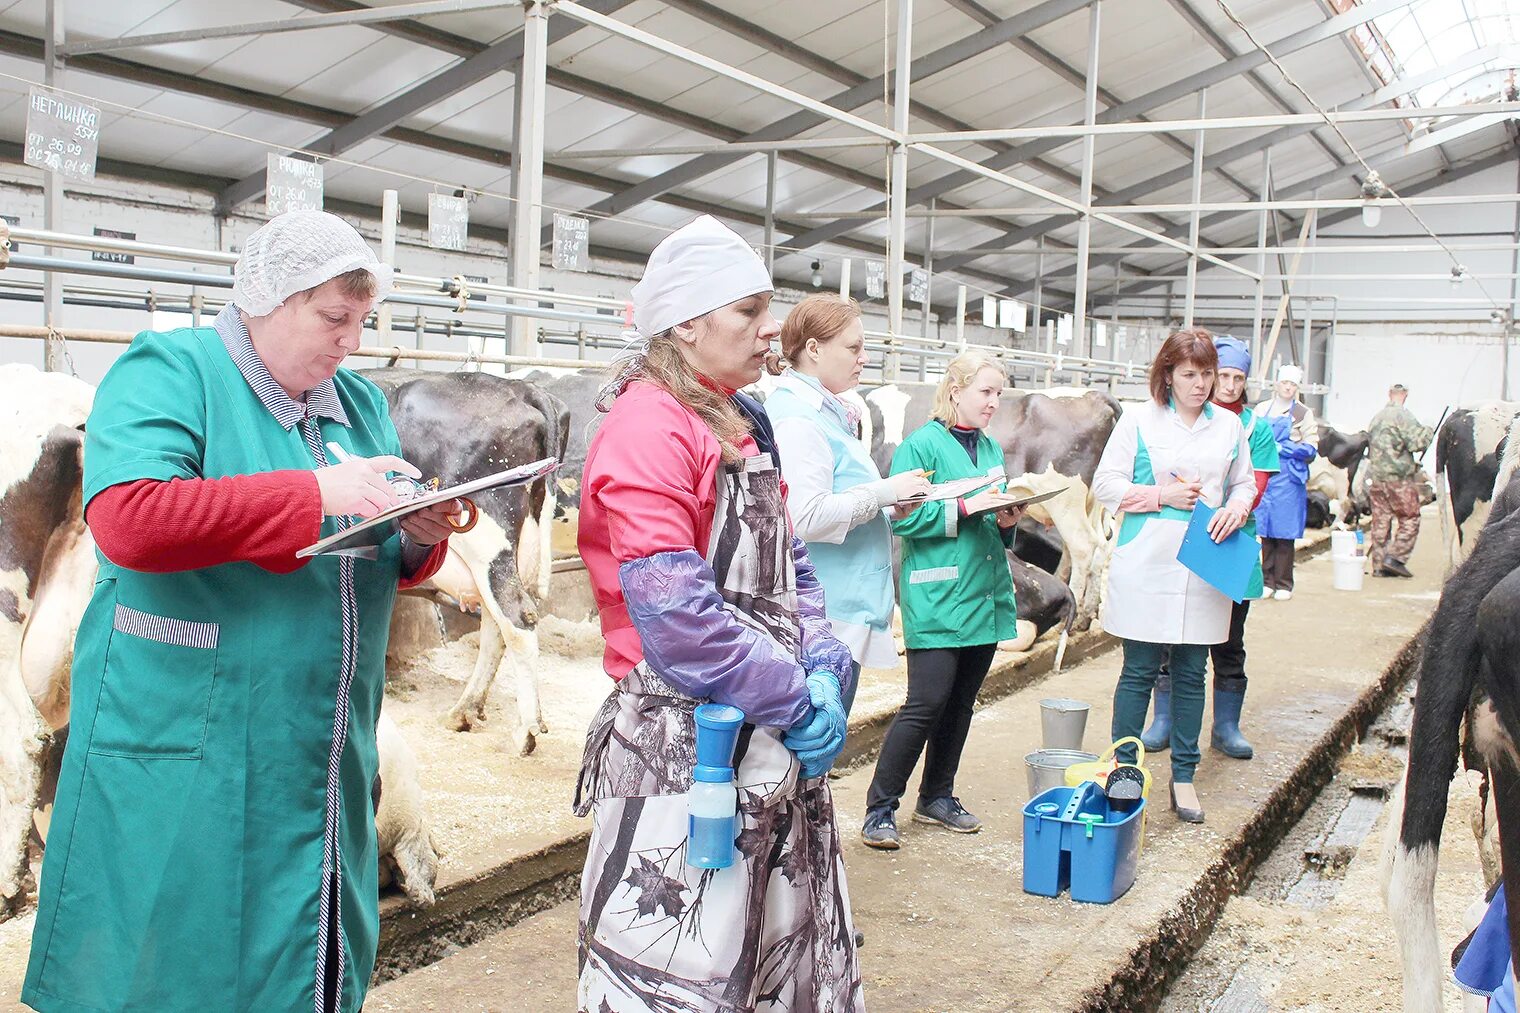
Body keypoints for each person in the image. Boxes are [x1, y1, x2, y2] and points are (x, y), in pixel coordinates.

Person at [22, 211, 460, 1013]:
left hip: (320, 751)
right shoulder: (170, 371)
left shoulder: (356, 403)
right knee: (170, 961)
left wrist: (416, 536)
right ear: (267, 299)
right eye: (335, 318)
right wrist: (317, 491)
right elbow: (129, 515)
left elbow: (362, 556)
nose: (351, 343)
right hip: (192, 745)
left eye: (362, 322)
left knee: (303, 962)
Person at [573, 216, 863, 1011]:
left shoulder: (746, 418)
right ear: (688, 324)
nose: (771, 329)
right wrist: (797, 696)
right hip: (684, 756)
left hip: (768, 745)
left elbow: (792, 564)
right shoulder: (648, 426)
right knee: (684, 973)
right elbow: (678, 622)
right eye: (748, 312)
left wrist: (827, 664)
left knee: (774, 959)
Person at [860, 350, 1025, 850]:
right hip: (938, 593)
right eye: (986, 392)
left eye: (999, 394)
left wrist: (1007, 521)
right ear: (956, 391)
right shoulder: (920, 447)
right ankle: (879, 808)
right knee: (926, 702)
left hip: (983, 591)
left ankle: (937, 796)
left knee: (961, 704)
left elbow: (991, 517)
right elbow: (903, 520)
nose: (994, 402)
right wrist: (966, 506)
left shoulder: (990, 448)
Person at [1094, 328, 1256, 823]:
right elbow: (1105, 485)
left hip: (1205, 559)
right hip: (1148, 559)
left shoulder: (1229, 427)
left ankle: (1183, 777)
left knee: (1191, 673)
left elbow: (1244, 482)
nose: (1201, 384)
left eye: (1207, 374)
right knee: (1139, 670)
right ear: (1167, 375)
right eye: (1189, 374)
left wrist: (1236, 506)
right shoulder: (1139, 420)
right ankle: (1122, 771)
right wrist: (1160, 496)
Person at [767, 294, 930, 715]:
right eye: (854, 348)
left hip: (839, 611)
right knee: (813, 750)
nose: (864, 358)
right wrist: (884, 492)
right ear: (814, 349)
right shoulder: (799, 419)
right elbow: (804, 517)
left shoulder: (827, 411)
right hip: (825, 617)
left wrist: (891, 509)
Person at [1141, 334, 1279, 761]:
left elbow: (1253, 484)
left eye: (1237, 378)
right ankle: (1163, 719)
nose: (1229, 385)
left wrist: (1231, 510)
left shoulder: (1250, 427)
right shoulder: (1176, 418)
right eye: (1224, 376)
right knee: (1171, 633)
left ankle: (1225, 726)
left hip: (1228, 538)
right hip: (1182, 534)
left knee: (1228, 637)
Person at [1366, 383, 1435, 578]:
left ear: (1389, 394)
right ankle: (1395, 558)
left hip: (1378, 479)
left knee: (1380, 521)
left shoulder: (1376, 418)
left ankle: (1379, 565)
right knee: (1410, 518)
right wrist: (1429, 429)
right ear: (1405, 395)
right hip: (1399, 480)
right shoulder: (1404, 416)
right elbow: (1417, 443)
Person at [1256, 410, 1318, 599]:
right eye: (1284, 383)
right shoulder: (1263, 408)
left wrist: (1288, 449)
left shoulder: (1302, 413)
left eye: (1292, 384)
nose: (1287, 388)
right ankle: (1266, 580)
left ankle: (1283, 583)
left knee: (1284, 534)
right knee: (1265, 533)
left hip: (1289, 480)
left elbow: (1311, 450)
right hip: (1268, 477)